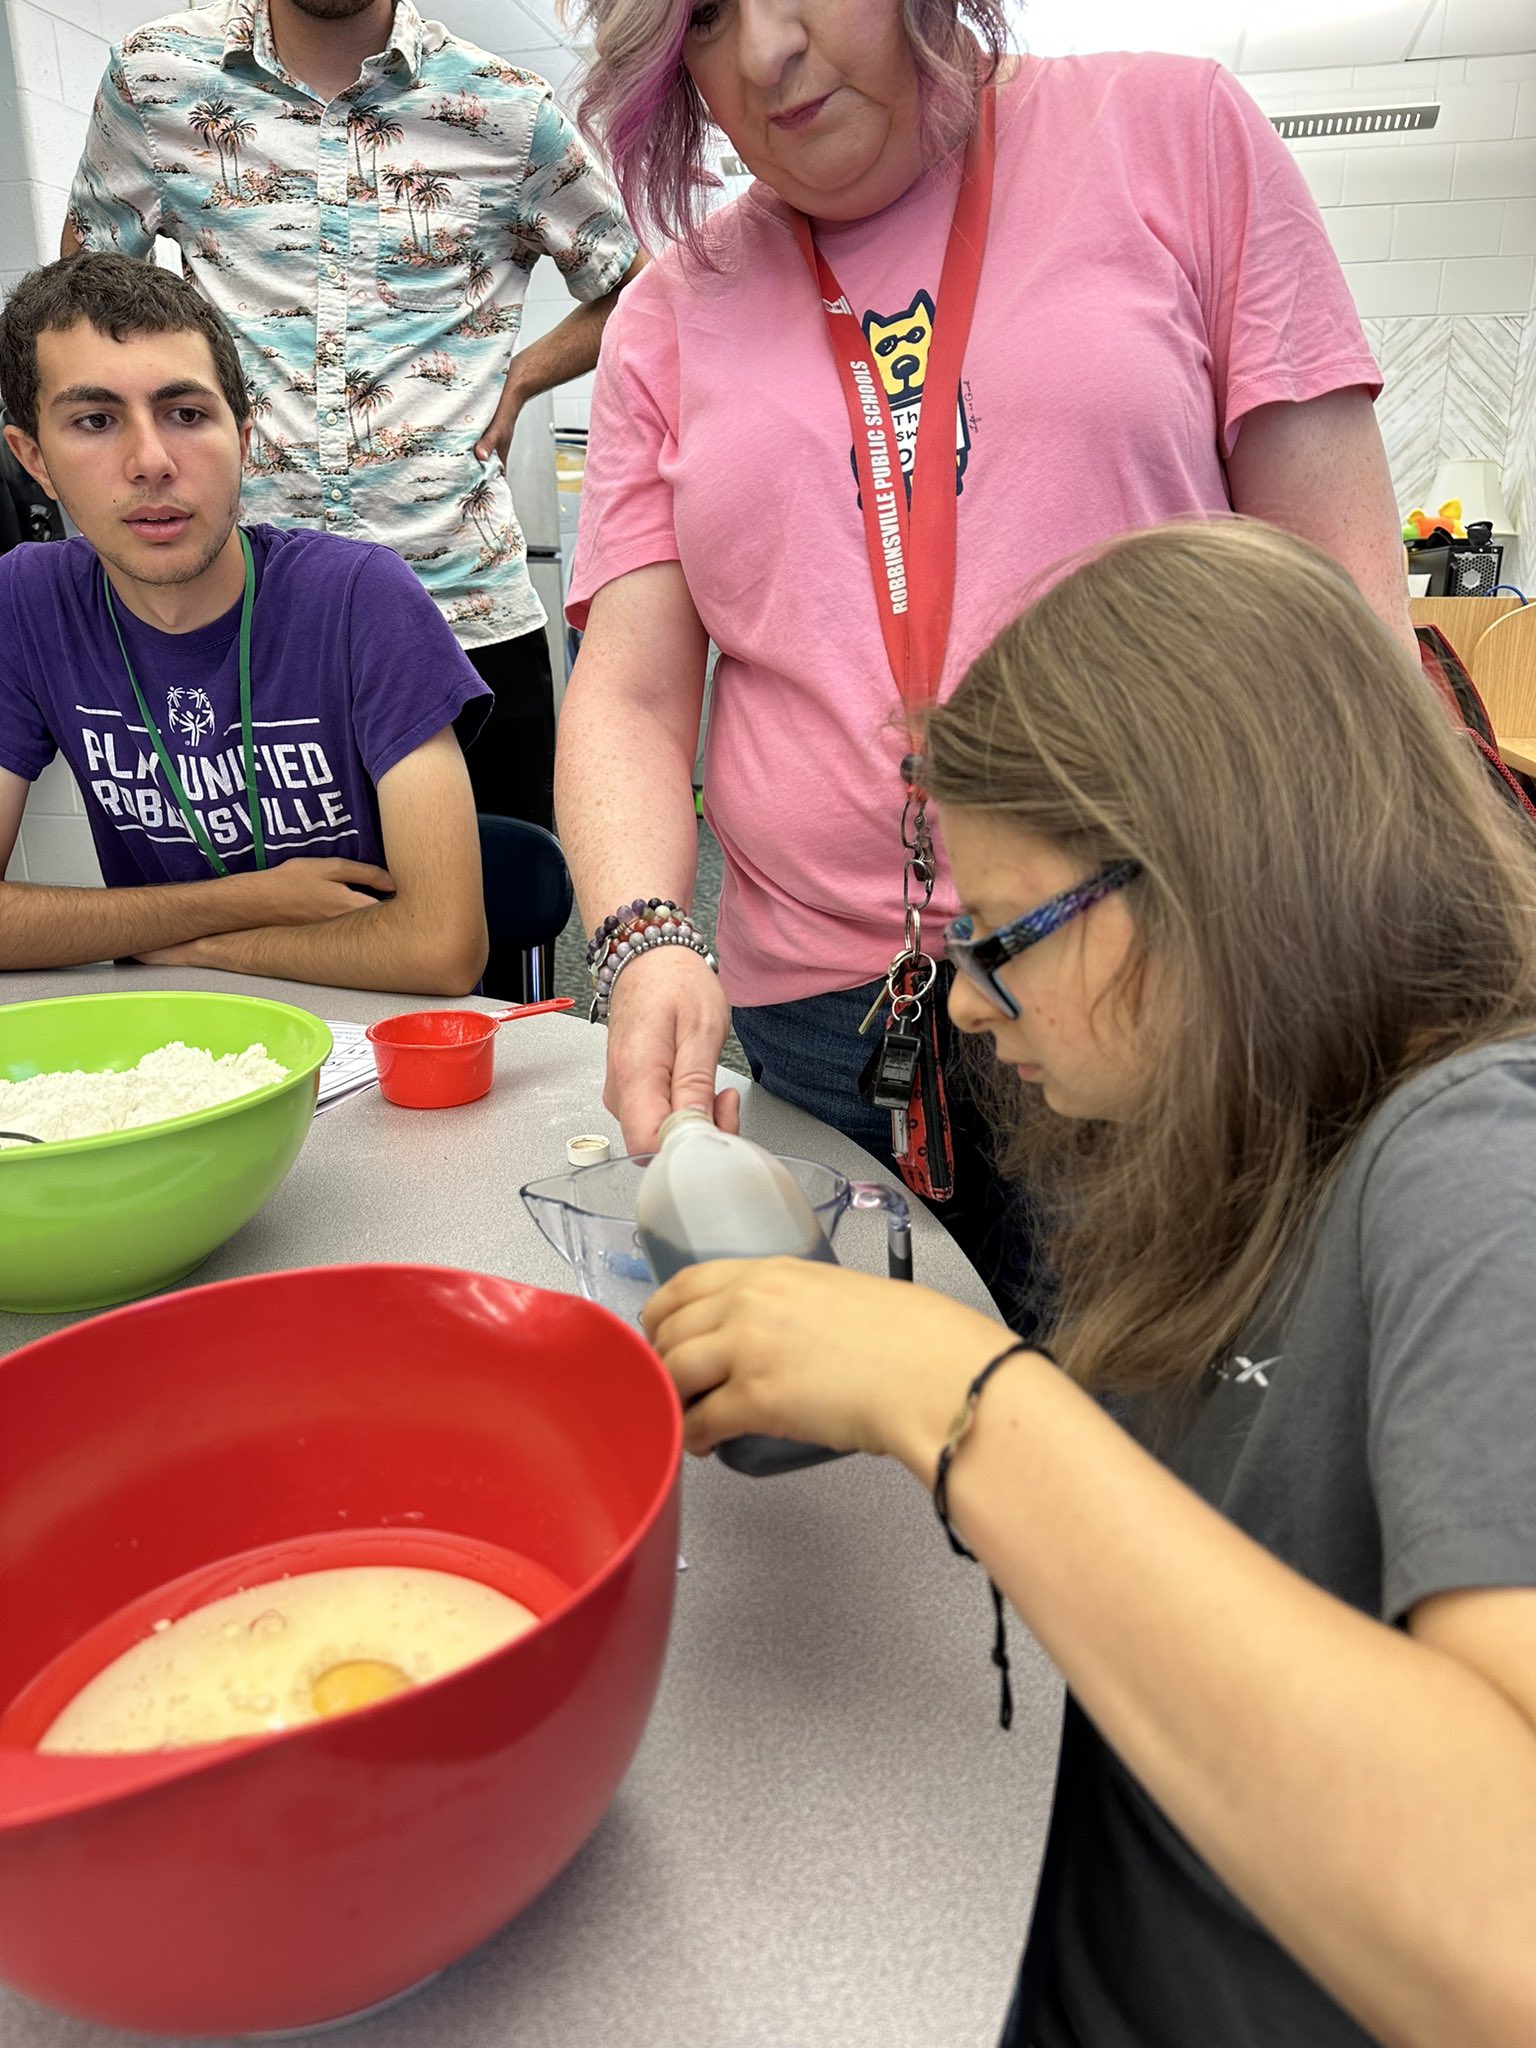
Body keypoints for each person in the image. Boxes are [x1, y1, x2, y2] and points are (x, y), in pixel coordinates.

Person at [644, 518, 1536, 2046]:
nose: (972, 1010)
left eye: (1005, 940)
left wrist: (959, 1395)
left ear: (1211, 878)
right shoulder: (1226, 1131)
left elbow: (1502, 1930)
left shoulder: (1478, 1161)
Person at [554, 0, 1417, 1331]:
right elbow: (628, 693)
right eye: (705, 17)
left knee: (1147, 1457)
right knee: (856, 1482)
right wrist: (643, 937)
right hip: (819, 1017)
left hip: (1158, 978)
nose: (767, 50)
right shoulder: (669, 316)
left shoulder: (1174, 132)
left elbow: (1343, 620)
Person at [63, 0, 646, 832]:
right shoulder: (156, 81)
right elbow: (84, 312)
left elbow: (634, 285)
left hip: (459, 612)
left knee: (496, 931)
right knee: (267, 946)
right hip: (242, 615)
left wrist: (522, 378)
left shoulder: (506, 107)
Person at [0, 254, 490, 995]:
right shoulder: (25, 602)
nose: (151, 462)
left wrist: (196, 948)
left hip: (369, 1037)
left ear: (245, 441)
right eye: (95, 422)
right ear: (34, 458)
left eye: (187, 414)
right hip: (172, 1047)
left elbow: (443, 948)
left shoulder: (359, 596)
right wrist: (245, 904)